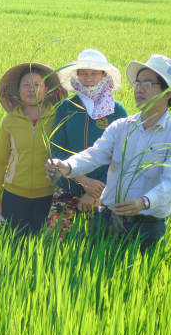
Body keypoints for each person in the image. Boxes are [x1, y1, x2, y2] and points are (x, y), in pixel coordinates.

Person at [46, 54, 171, 252]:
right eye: (138, 83)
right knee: (91, 277)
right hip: (106, 220)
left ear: (168, 92)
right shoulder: (121, 127)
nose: (139, 88)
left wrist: (143, 202)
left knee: (135, 281)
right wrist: (68, 166)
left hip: (146, 226)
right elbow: (96, 154)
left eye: (148, 83)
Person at [46, 49, 129, 239]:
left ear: (104, 76)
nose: (88, 78)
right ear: (77, 75)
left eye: (94, 73)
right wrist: (84, 181)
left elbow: (122, 154)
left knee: (96, 245)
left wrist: (95, 191)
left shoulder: (116, 110)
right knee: (54, 242)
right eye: (83, 73)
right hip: (67, 185)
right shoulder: (66, 107)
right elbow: (57, 150)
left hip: (104, 193)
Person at [0, 63, 67, 238]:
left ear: (47, 89)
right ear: (18, 90)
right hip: (14, 197)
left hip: (48, 196)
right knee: (14, 250)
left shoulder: (58, 119)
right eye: (26, 85)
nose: (32, 89)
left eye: (37, 84)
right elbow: (0, 161)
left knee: (44, 252)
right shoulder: (9, 121)